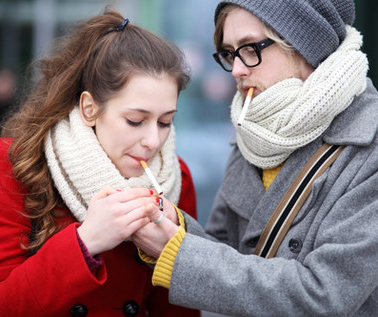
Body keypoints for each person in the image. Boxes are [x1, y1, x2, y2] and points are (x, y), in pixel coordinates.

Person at [132, 0, 378, 316]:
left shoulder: (368, 144)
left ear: (304, 46)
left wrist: (179, 254)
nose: (237, 69)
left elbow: (325, 294)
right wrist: (174, 228)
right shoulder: (257, 131)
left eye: (250, 49)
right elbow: (226, 249)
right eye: (229, 53)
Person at [0, 9, 201, 317]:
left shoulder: (176, 177)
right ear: (89, 109)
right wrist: (86, 240)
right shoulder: (14, 164)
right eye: (135, 120)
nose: (153, 141)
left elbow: (176, 311)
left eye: (165, 122)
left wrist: (174, 253)